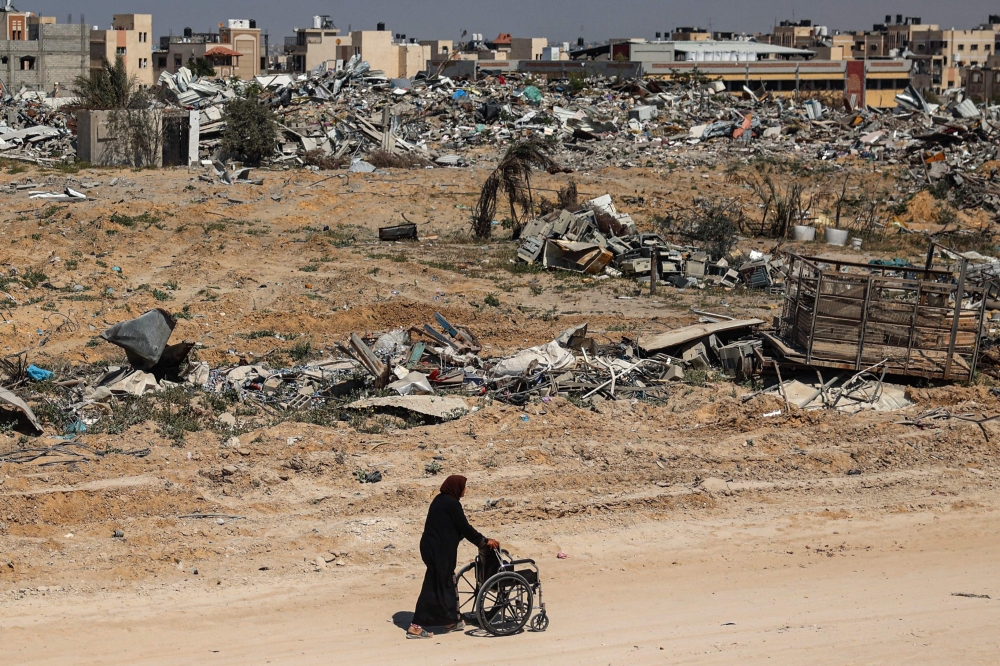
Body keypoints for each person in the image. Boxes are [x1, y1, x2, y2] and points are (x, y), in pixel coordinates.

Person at [408, 475, 499, 639]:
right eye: (463, 487)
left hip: (432, 548)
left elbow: (451, 527)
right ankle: (415, 627)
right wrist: (484, 542)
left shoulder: (440, 500)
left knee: (445, 582)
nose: (465, 490)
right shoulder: (452, 504)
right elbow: (465, 528)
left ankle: (450, 621)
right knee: (434, 585)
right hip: (438, 551)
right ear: (456, 488)